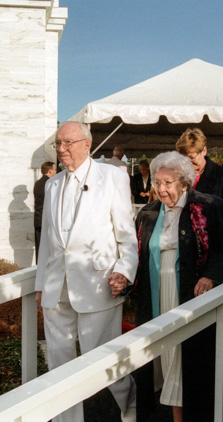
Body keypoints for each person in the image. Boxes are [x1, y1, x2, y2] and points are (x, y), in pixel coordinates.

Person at [35, 122, 138, 422]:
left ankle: (131, 408)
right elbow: (47, 242)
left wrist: (124, 271)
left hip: (98, 285)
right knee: (59, 364)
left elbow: (126, 235)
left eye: (67, 142)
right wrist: (42, 283)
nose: (61, 149)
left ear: (86, 144)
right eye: (57, 143)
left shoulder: (113, 177)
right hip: (56, 289)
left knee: (103, 361)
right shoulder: (52, 184)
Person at [133, 151, 223, 422]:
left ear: (184, 182)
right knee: (164, 354)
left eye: (167, 183)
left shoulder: (208, 206)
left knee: (184, 355)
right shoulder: (148, 212)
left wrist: (211, 275)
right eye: (157, 182)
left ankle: (184, 416)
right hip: (156, 292)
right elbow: (137, 254)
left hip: (188, 292)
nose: (161, 188)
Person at [175, 128, 223, 259]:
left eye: (192, 157)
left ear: (204, 151)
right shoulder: (177, 176)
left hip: (213, 247)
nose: (188, 162)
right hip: (183, 248)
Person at [33, 161, 56, 262]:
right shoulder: (50, 183)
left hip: (38, 219)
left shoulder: (37, 183)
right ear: (50, 171)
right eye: (54, 169)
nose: (55, 171)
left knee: (39, 249)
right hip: (46, 219)